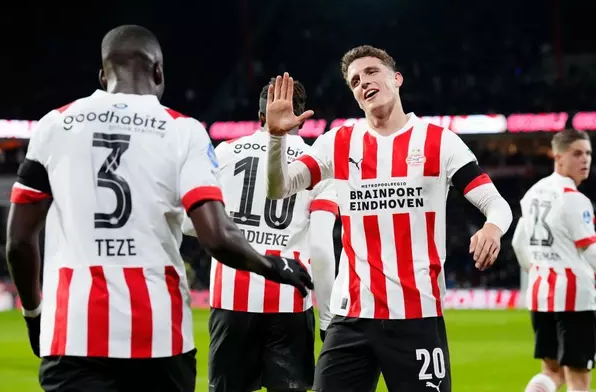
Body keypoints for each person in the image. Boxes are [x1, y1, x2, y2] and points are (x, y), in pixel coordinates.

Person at [5, 24, 312, 392]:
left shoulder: (54, 125)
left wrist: (34, 315)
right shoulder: (182, 130)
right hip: (160, 333)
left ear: (103, 75)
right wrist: (274, 266)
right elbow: (216, 236)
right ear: (158, 72)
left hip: (74, 331)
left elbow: (18, 242)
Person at [263, 45, 513, 392]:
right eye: (354, 81)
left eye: (371, 72)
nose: (363, 82)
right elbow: (279, 188)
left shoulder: (439, 142)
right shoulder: (338, 142)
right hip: (351, 316)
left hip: (417, 314)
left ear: (396, 79)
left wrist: (492, 228)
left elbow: (496, 204)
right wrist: (276, 139)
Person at [183, 78, 338, 392]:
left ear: (260, 116)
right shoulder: (318, 164)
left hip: (231, 298)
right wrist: (327, 319)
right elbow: (321, 247)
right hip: (290, 302)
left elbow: (190, 223)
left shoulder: (225, 152)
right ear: (302, 117)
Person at [512, 129, 596, 392]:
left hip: (541, 294)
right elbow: (590, 250)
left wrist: (539, 269)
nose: (585, 159)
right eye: (577, 154)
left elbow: (518, 243)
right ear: (558, 157)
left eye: (588, 153)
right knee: (579, 379)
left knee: (551, 372)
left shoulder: (533, 193)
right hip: (575, 298)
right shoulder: (575, 199)